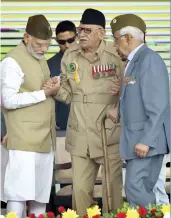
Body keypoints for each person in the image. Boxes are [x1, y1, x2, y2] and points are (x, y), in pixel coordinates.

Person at [43, 8, 124, 216]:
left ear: (101, 33)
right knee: (80, 192)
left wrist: (122, 90)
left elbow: (133, 86)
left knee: (111, 191)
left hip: (108, 133)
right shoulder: (70, 56)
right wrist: (56, 90)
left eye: (87, 30)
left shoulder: (116, 54)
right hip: (80, 134)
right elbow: (68, 95)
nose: (82, 34)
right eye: (80, 29)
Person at [1, 14, 60, 218]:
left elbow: (37, 88)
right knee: (18, 193)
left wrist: (51, 85)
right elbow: (8, 100)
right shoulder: (12, 61)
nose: (43, 49)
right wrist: (44, 93)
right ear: (26, 37)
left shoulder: (39, 58)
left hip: (45, 137)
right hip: (23, 139)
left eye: (47, 45)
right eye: (39, 44)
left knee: (40, 195)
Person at [110, 14, 170, 206]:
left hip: (145, 141)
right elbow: (137, 97)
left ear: (128, 38)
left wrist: (146, 140)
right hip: (137, 139)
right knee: (138, 188)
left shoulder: (149, 60)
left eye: (116, 37)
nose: (114, 43)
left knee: (137, 188)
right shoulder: (134, 61)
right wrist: (118, 111)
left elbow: (158, 105)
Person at [48, 20, 77, 131]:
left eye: (70, 40)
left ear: (77, 37)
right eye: (62, 42)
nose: (67, 45)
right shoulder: (50, 64)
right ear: (56, 41)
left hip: (88, 123)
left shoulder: (90, 60)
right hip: (62, 125)